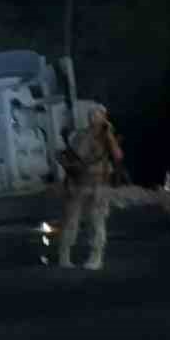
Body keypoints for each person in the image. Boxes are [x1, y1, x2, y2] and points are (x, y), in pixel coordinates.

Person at [57, 106, 124, 271]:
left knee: (97, 222)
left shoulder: (108, 137)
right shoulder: (82, 135)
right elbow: (76, 154)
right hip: (79, 184)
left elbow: (118, 156)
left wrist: (108, 136)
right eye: (91, 114)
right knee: (71, 222)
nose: (93, 117)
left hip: (99, 185)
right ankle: (64, 255)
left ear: (104, 117)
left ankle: (96, 257)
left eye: (97, 114)